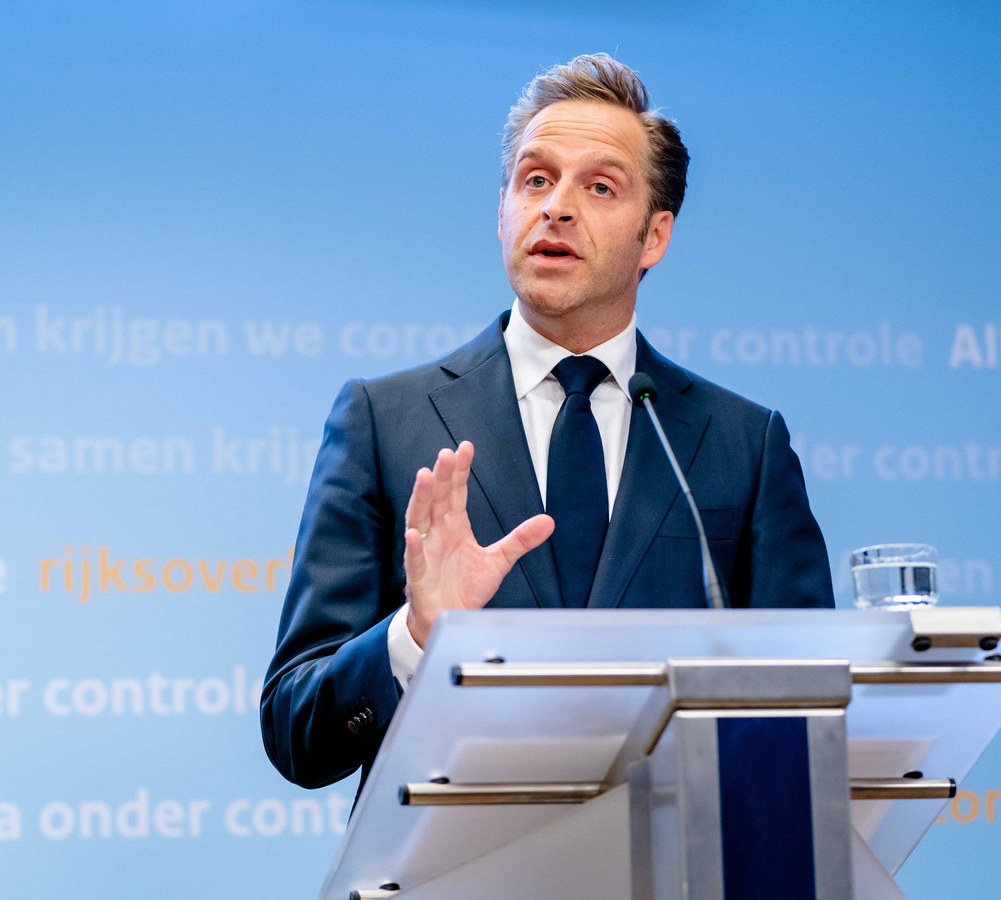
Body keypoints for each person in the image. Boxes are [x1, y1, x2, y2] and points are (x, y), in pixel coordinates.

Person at [260, 53, 833, 796]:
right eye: (535, 180)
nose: (556, 207)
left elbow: (811, 705)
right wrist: (416, 635)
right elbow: (295, 730)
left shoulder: (742, 445)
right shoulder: (383, 421)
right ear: (501, 210)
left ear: (654, 237)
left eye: (599, 187)